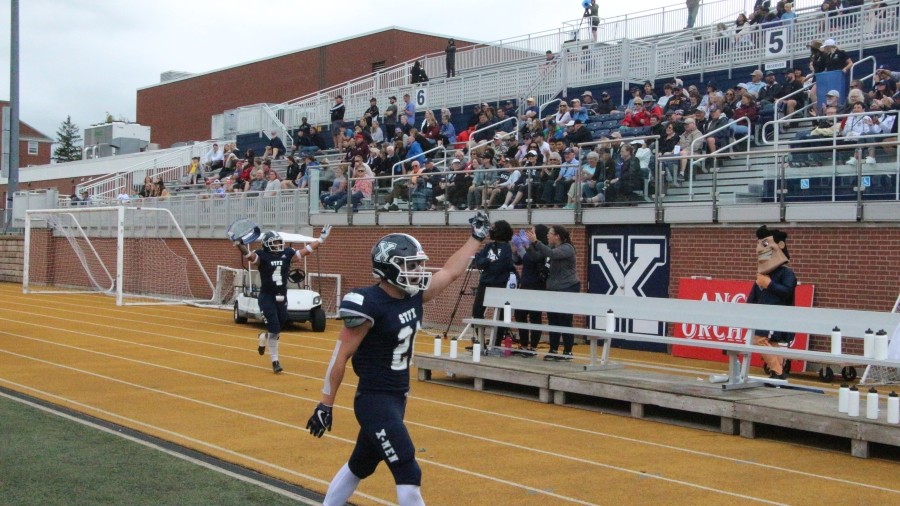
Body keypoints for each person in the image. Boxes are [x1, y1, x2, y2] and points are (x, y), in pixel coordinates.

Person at [306, 213, 492, 506]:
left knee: (361, 464)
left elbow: (450, 271)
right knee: (408, 468)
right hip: (374, 401)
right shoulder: (369, 303)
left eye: (418, 264)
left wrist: (476, 239)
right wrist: (325, 404)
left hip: (397, 397)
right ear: (388, 267)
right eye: (410, 265)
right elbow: (340, 355)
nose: (418, 270)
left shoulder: (414, 295)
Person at [231, 225, 331, 374]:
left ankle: (264, 336)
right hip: (267, 297)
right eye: (275, 242)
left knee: (278, 328)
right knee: (275, 328)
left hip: (282, 296)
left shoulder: (287, 254)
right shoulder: (262, 256)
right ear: (266, 244)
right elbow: (250, 257)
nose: (278, 245)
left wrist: (321, 239)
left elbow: (306, 251)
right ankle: (275, 361)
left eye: (279, 242)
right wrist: (240, 245)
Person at [747, 225, 797, 380]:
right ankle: (779, 371)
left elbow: (787, 292)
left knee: (760, 340)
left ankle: (777, 372)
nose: (759, 249)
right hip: (762, 315)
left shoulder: (786, 273)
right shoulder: (762, 274)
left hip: (775, 315)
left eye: (765, 244)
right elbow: (753, 296)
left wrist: (769, 284)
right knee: (772, 344)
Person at [525, 225, 579, 361]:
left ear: (557, 236)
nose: (548, 235)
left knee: (565, 319)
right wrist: (527, 246)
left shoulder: (567, 248)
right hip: (553, 288)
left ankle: (568, 351)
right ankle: (553, 349)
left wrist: (536, 241)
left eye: (550, 233)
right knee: (553, 319)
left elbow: (552, 254)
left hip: (567, 287)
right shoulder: (552, 247)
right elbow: (538, 256)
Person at [472, 220, 516, 346]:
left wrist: (487, 263)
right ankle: (480, 340)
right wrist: (487, 261)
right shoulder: (488, 246)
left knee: (500, 314)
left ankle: (496, 342)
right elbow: (478, 262)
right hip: (484, 283)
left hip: (499, 284)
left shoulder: (507, 248)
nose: (491, 230)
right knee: (477, 311)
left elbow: (501, 265)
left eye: (494, 228)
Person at [513, 225, 549, 354]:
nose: (529, 233)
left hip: (537, 285)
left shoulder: (543, 248)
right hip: (525, 283)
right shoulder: (530, 247)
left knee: (535, 316)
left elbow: (534, 259)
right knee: (520, 314)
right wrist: (516, 249)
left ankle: (533, 346)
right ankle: (523, 344)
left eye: (532, 232)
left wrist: (524, 247)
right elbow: (518, 261)